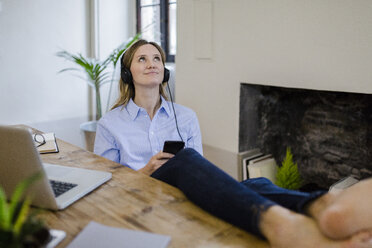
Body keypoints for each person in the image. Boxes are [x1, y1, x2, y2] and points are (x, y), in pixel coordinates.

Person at [94, 39, 372, 248]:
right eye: (142, 59)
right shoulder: (110, 124)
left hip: (180, 189)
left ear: (164, 71)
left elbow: (197, 168)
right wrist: (146, 171)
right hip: (142, 193)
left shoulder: (186, 116)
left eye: (156, 58)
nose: (152, 63)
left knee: (257, 184)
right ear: (128, 73)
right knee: (186, 159)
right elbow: (107, 185)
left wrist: (184, 167)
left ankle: (320, 204)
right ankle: (279, 222)